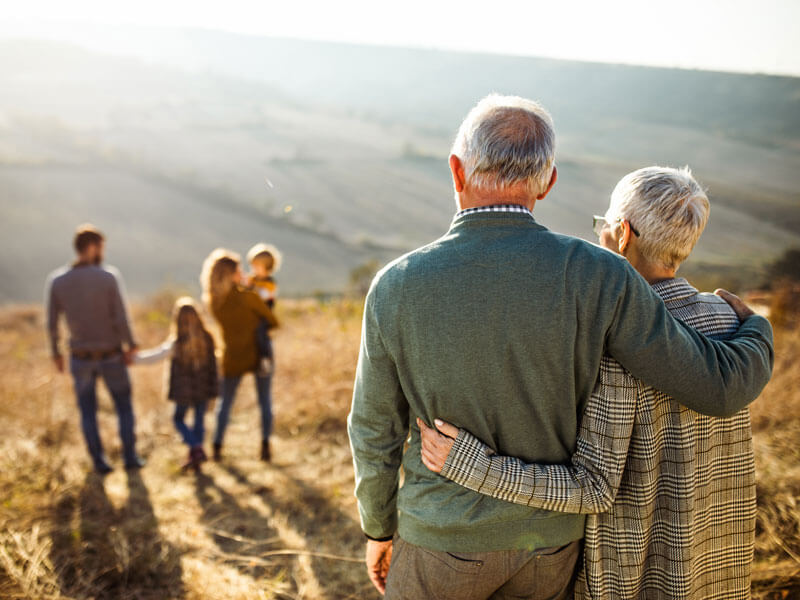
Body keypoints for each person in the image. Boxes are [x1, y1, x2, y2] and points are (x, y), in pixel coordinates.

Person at [347, 95, 774, 600]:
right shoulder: (599, 274)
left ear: (456, 172)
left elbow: (374, 430)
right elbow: (713, 384)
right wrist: (756, 331)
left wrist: (379, 528)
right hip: (550, 548)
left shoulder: (396, 285)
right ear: (548, 182)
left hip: (441, 540)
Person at [419, 166, 760, 599]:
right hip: (718, 568)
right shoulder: (729, 320)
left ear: (621, 234)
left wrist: (474, 466)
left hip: (636, 575)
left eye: (601, 226)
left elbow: (594, 488)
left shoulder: (612, 343)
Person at [45, 223, 144, 473]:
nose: (103, 252)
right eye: (101, 247)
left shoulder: (58, 281)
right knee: (123, 406)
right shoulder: (107, 277)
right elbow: (120, 317)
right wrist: (131, 345)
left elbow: (52, 322)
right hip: (111, 354)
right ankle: (130, 457)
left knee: (87, 411)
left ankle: (99, 462)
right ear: (91, 247)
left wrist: (56, 353)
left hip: (79, 357)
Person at [201, 248, 278, 462]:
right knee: (264, 401)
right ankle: (265, 445)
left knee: (224, 402)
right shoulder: (248, 297)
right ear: (232, 274)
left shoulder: (214, 302)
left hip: (232, 354)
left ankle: (216, 446)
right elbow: (272, 320)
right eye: (239, 269)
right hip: (259, 352)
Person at [134, 297, 218, 472]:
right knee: (198, 422)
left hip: (183, 392)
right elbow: (214, 367)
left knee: (178, 419)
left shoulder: (177, 342)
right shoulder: (207, 338)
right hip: (203, 389)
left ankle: (195, 449)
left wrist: (133, 358)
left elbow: (155, 356)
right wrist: (214, 388)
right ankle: (196, 454)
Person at [245, 243, 282, 376]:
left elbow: (264, 296)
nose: (253, 269)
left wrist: (251, 288)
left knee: (261, 333)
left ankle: (265, 358)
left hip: (264, 316)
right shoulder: (252, 279)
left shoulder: (269, 283)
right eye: (252, 266)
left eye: (257, 266)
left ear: (267, 267)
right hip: (252, 315)